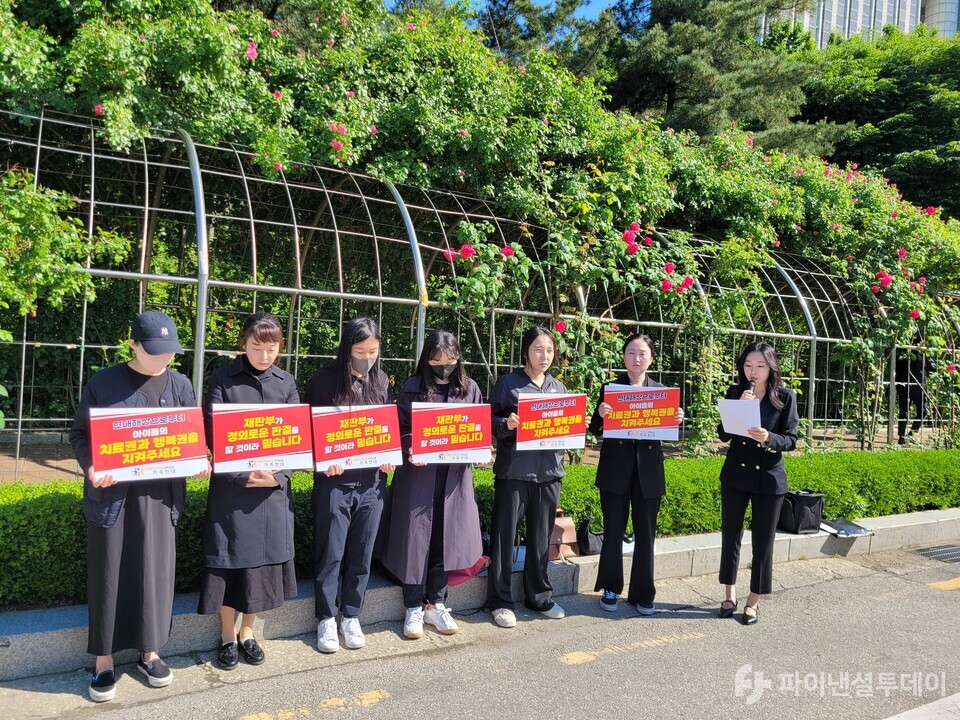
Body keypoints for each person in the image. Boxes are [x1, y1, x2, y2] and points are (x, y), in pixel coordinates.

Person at [69, 311, 211, 703]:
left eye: (169, 353)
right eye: (154, 352)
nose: (162, 359)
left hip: (160, 498)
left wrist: (201, 460)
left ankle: (150, 652)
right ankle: (103, 659)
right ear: (133, 344)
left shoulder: (180, 384)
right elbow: (80, 433)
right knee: (109, 574)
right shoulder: (104, 382)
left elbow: (191, 439)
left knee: (155, 573)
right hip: (113, 499)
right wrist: (93, 465)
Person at [198, 312, 299, 670]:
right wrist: (242, 474)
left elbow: (296, 437)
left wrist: (280, 475)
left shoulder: (286, 383)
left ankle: (248, 632)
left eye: (272, 349)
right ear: (243, 343)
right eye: (257, 347)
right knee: (232, 566)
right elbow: (211, 432)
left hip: (270, 492)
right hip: (233, 492)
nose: (264, 355)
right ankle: (227, 634)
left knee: (258, 570)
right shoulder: (223, 379)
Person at [375, 331, 485, 639]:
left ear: (458, 360)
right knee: (413, 541)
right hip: (418, 478)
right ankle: (412, 606)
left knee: (444, 539)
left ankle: (436, 603)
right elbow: (397, 430)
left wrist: (481, 449)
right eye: (436, 361)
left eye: (450, 362)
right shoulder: (412, 389)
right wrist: (411, 445)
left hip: (453, 480)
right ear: (426, 360)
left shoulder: (469, 389)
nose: (443, 367)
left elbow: (475, 428)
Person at [304, 317, 394, 653]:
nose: (367, 358)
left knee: (362, 553)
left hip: (371, 483)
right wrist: (323, 457)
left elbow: (386, 428)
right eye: (360, 350)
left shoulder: (382, 381)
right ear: (346, 349)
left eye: (373, 351)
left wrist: (388, 456)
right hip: (334, 484)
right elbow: (310, 432)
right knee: (331, 553)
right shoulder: (323, 382)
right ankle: (326, 618)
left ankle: (351, 614)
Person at [588, 334, 684, 616]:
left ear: (651, 358)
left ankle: (643, 592)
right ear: (624, 357)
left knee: (646, 534)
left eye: (642, 353)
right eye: (631, 353)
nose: (636, 358)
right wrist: (600, 412)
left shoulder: (662, 392)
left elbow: (668, 433)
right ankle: (610, 587)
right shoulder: (611, 388)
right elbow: (597, 429)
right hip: (615, 470)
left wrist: (676, 420)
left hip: (648, 473)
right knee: (613, 529)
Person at [486, 326, 574, 628]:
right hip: (515, 472)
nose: (544, 356)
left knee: (540, 539)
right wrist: (506, 424)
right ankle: (500, 600)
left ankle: (539, 596)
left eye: (549, 350)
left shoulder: (559, 389)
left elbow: (566, 429)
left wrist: (577, 424)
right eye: (538, 349)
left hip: (549, 473)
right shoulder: (508, 384)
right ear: (526, 351)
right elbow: (489, 422)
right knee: (504, 537)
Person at [717, 342, 799, 626]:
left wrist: (768, 437)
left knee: (763, 543)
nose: (753, 371)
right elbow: (723, 435)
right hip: (736, 475)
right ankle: (729, 594)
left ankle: (753, 600)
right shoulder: (735, 393)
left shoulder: (785, 397)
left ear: (771, 367)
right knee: (731, 535)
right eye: (748, 365)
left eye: (760, 366)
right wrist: (738, 408)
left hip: (768, 477)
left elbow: (791, 439)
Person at [895, 349, 935, 445]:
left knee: (903, 412)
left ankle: (902, 437)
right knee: (922, 411)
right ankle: (911, 434)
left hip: (903, 385)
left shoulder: (901, 351)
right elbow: (932, 367)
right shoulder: (923, 352)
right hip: (918, 387)